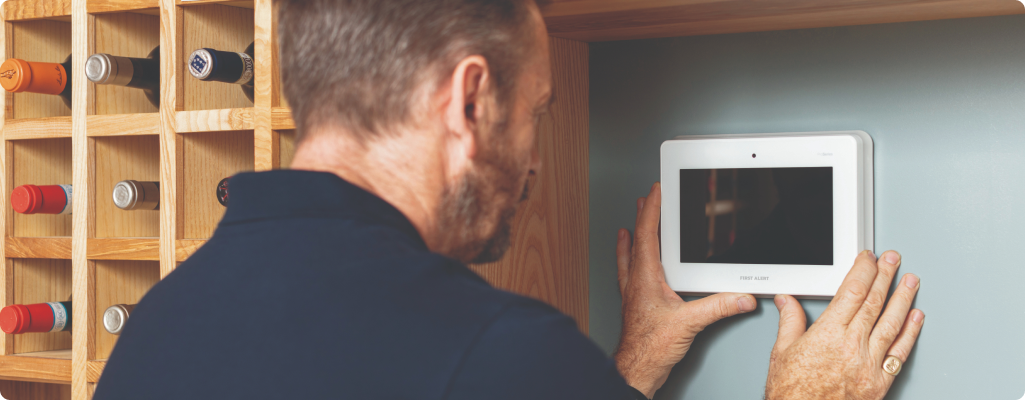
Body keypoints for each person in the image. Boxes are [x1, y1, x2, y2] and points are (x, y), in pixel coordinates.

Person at [93, 1, 925, 399]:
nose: (533, 163)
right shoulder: (501, 352)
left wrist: (627, 367)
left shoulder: (165, 318)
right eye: (535, 114)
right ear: (468, 102)